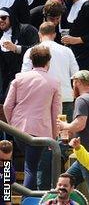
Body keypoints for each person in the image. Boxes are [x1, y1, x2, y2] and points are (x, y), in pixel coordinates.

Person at [4, 45, 60, 190]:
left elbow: (7, 106)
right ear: (48, 62)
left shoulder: (19, 78)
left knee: (30, 166)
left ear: (32, 61)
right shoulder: (54, 83)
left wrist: (12, 125)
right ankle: (27, 200)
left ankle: (24, 197)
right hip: (40, 131)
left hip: (19, 129)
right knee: (31, 168)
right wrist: (53, 137)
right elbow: (56, 113)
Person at [57, 70, 89, 205]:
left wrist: (64, 125)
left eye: (73, 82)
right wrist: (69, 133)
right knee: (64, 184)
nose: (73, 85)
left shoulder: (82, 99)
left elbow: (80, 124)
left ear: (77, 82)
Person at [21, 21, 78, 119]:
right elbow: (76, 74)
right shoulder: (67, 51)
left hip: (41, 98)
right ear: (55, 35)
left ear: (39, 34)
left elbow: (24, 76)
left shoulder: (31, 51)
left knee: (44, 132)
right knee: (64, 132)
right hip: (64, 97)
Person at [0, 7, 39, 102]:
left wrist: (16, 48)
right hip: (6, 80)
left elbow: (38, 49)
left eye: (3, 17)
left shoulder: (26, 29)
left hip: (25, 77)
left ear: (11, 18)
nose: (0, 20)